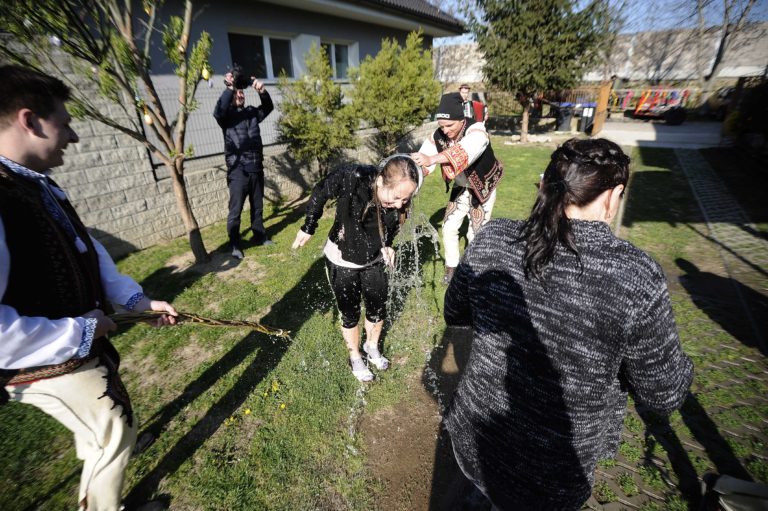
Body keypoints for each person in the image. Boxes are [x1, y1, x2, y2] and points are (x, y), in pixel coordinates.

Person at [442, 138, 694, 510]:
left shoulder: (492, 238)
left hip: (478, 439)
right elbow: (664, 394)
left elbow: (455, 312)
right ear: (613, 197)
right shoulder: (636, 277)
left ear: (547, 184)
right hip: (551, 471)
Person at [0, 65, 179, 511]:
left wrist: (138, 302)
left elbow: (86, 250)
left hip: (73, 344)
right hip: (44, 357)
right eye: (64, 124)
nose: (74, 136)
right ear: (30, 121)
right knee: (113, 428)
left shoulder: (37, 186)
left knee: (105, 426)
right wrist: (80, 330)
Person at [291, 155, 422, 382]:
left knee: (377, 307)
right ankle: (355, 356)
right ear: (380, 181)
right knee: (350, 312)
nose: (400, 204)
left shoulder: (399, 201)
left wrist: (388, 245)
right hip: (343, 260)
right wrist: (309, 226)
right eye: (396, 197)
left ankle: (371, 346)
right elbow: (321, 190)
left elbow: (393, 223)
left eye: (406, 198)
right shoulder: (353, 178)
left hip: (374, 259)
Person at [411, 92, 503, 285]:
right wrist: (411, 177)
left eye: (449, 125)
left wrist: (432, 159)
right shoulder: (439, 134)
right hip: (461, 186)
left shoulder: (477, 130)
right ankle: (451, 268)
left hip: (482, 186)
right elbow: (424, 161)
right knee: (449, 227)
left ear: (461, 119)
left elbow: (465, 151)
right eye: (441, 126)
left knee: (475, 232)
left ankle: (473, 272)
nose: (444, 130)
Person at [213, 69, 275, 259]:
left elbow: (268, 107)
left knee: (258, 207)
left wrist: (262, 91)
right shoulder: (226, 117)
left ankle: (259, 235)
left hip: (256, 167)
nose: (240, 95)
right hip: (238, 171)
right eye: (236, 93)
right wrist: (230, 88)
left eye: (241, 92)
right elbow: (218, 111)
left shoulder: (251, 113)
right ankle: (234, 244)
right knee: (236, 210)